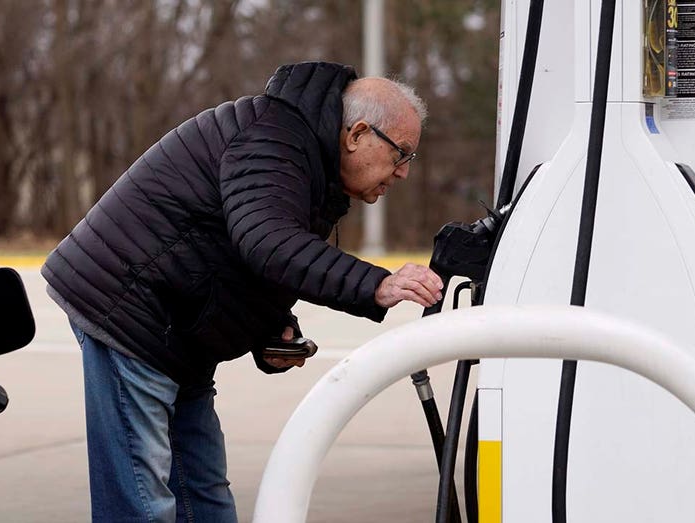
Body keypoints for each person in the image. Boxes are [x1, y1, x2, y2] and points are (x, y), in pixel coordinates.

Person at [41, 61, 442, 522]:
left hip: (179, 330)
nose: (404, 173)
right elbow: (268, 243)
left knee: (204, 497)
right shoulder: (271, 140)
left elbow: (245, 254)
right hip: (130, 311)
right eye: (402, 154)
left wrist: (272, 326)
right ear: (356, 134)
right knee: (141, 503)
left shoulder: (303, 155)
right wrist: (376, 284)